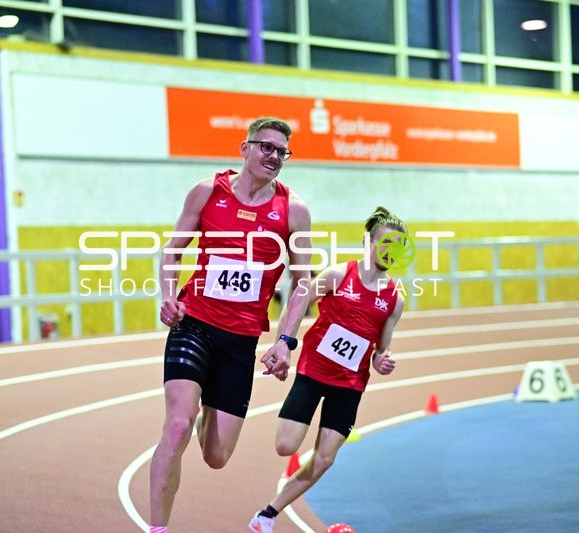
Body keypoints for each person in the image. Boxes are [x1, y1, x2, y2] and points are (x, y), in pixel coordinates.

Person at [149, 117, 312, 533]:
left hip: (241, 340)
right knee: (177, 425)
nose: (274, 156)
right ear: (245, 148)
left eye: (282, 152)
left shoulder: (293, 211)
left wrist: (285, 342)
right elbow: (172, 251)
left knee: (216, 456)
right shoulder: (207, 192)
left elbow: (302, 282)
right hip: (195, 324)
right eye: (267, 147)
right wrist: (168, 295)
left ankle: (208, 405)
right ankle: (157, 529)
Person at [249, 206, 407, 533]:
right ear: (369, 243)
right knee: (286, 446)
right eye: (385, 243)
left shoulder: (394, 299)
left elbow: (382, 348)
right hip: (313, 372)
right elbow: (298, 302)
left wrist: (382, 360)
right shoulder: (338, 275)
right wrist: (284, 344)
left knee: (324, 459)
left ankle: (267, 514)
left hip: (349, 384)